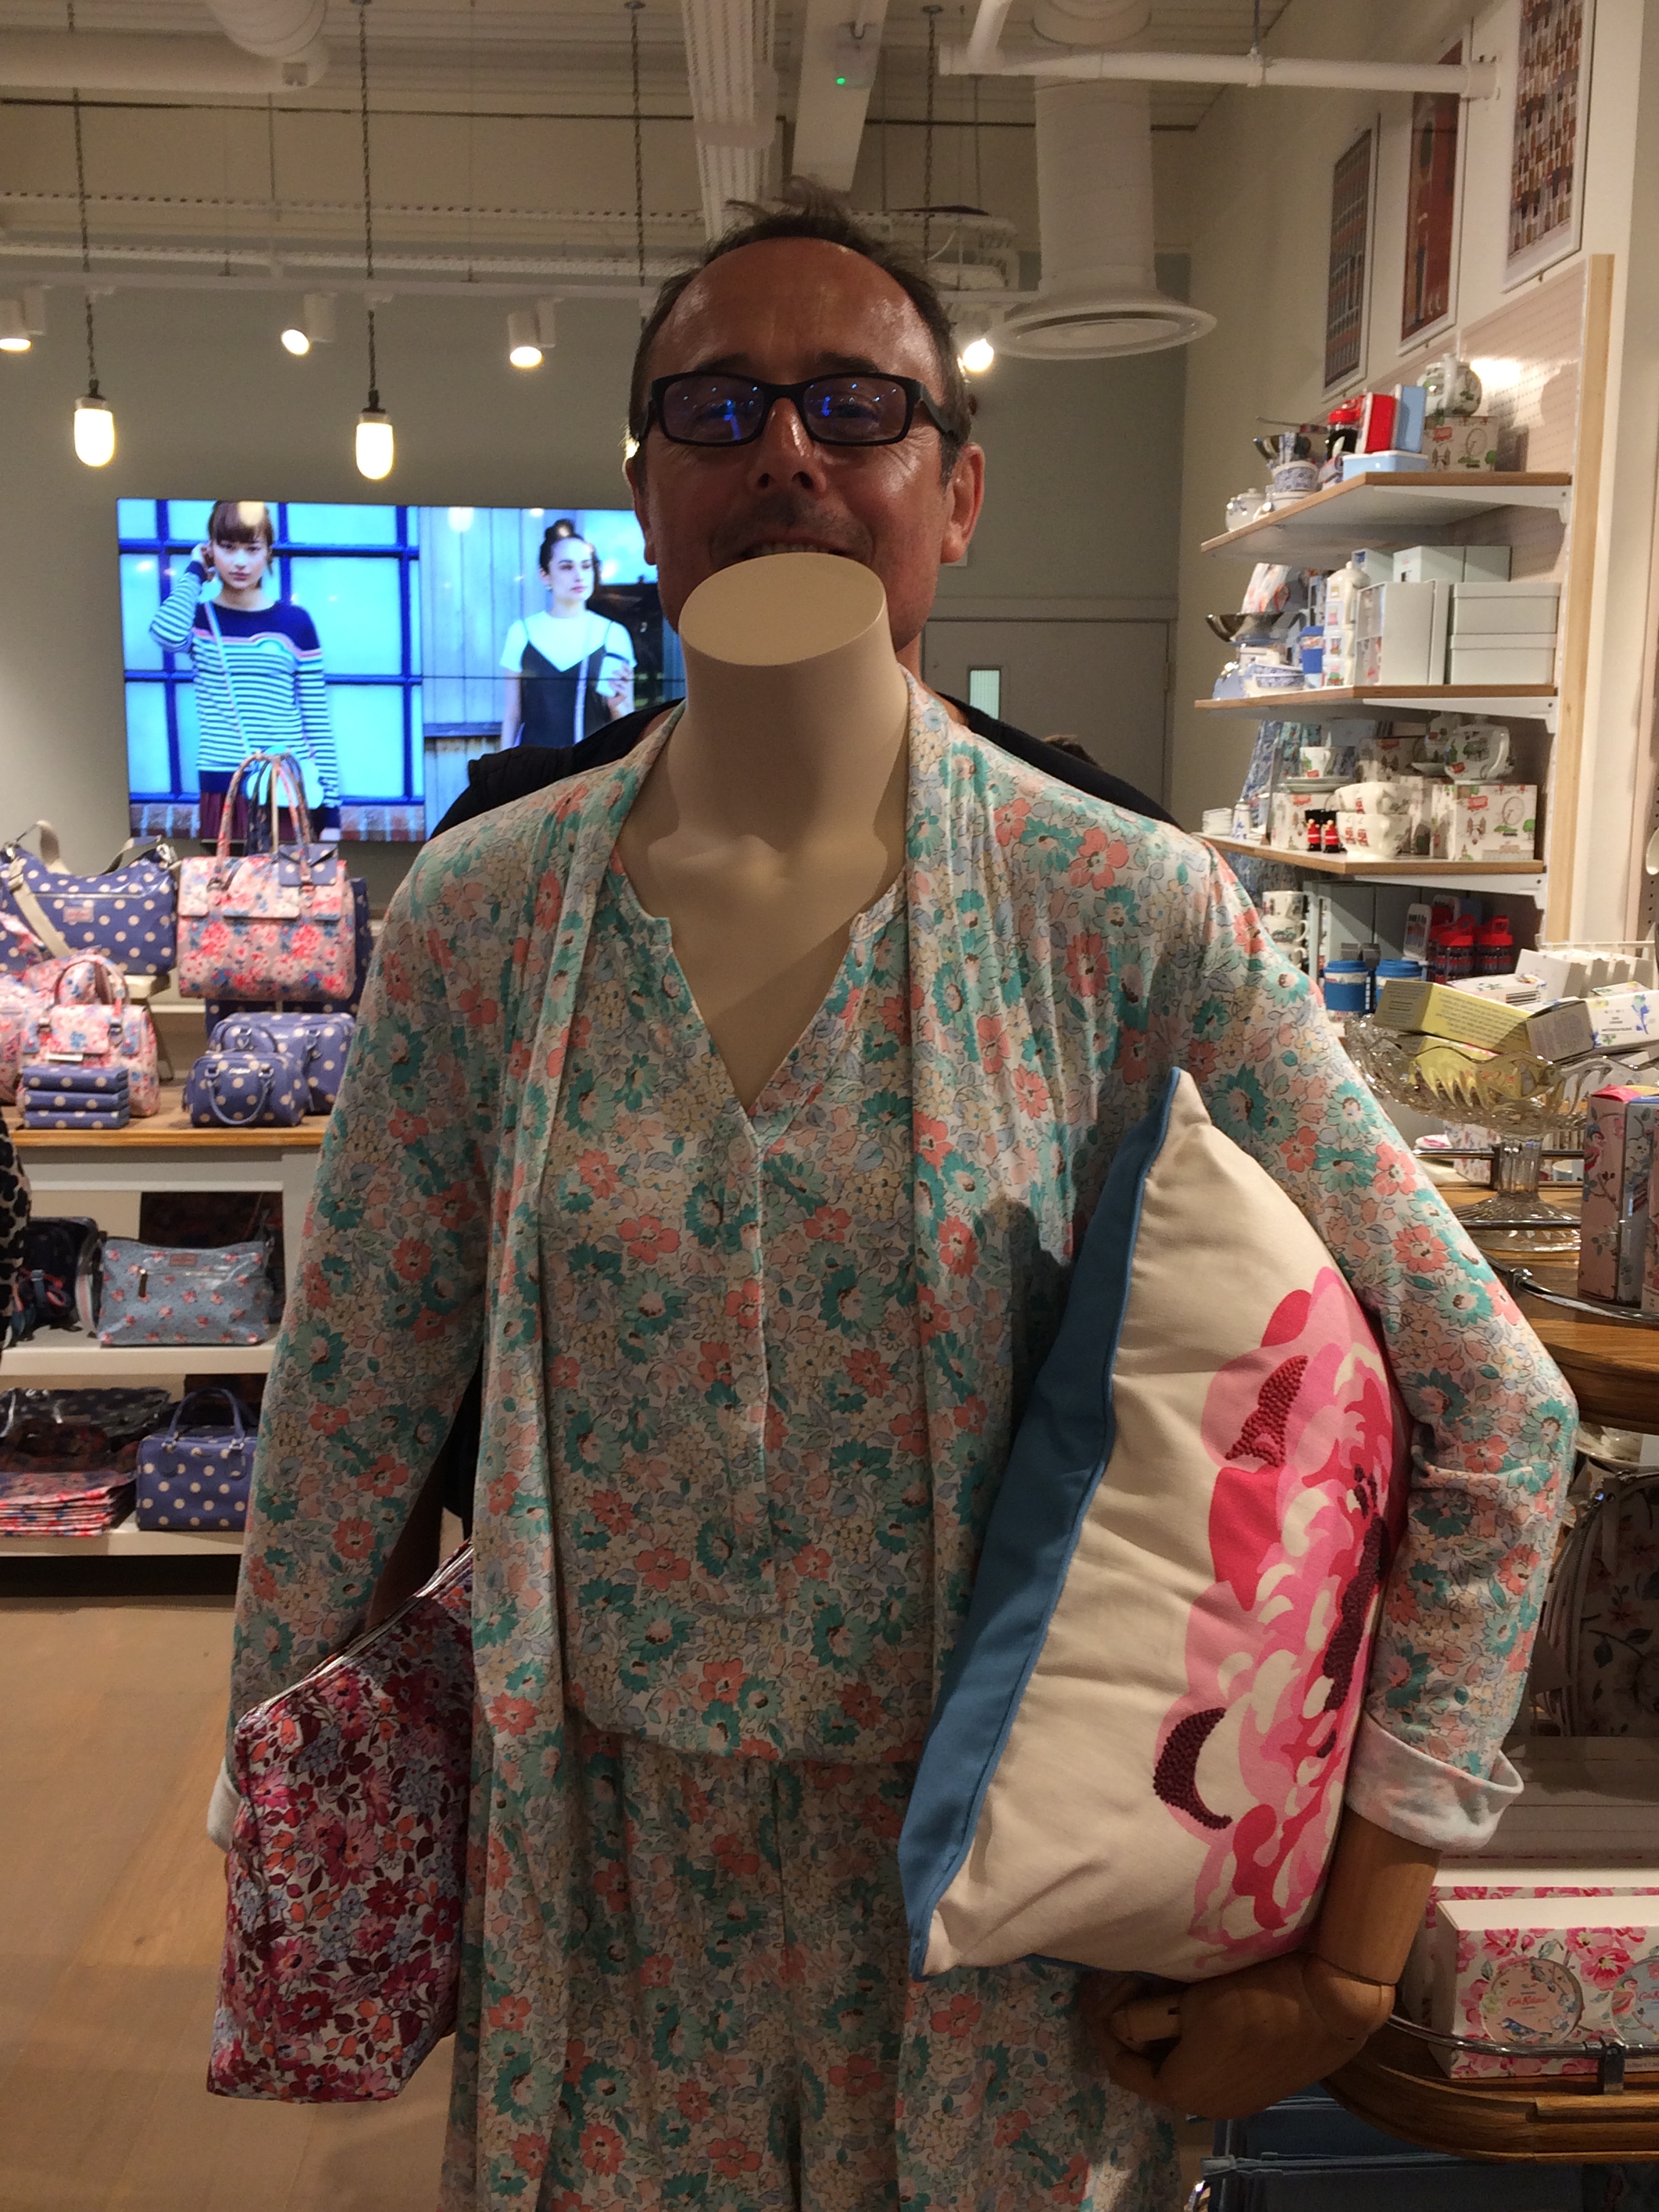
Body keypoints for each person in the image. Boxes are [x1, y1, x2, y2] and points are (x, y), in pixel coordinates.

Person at [219, 188, 1572, 2211]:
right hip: (600, 1913)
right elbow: (338, 1450)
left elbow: (1493, 1410)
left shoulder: (1122, 915)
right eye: (716, 407)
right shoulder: (483, 928)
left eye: (854, 405)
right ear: (643, 494)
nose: (783, 449)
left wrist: (1353, 1952)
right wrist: (310, 1901)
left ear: (957, 492)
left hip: (1019, 1936)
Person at [148, 500, 342, 840]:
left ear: (268, 552)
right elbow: (165, 634)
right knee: (224, 876)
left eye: (252, 549)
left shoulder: (295, 623)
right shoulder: (199, 619)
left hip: (284, 786)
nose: (240, 562)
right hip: (223, 786)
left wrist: (332, 812)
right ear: (210, 549)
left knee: (291, 876)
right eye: (227, 547)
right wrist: (195, 571)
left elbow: (316, 721)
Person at [497, 521, 636, 748]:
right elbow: (513, 714)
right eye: (566, 567)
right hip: (535, 765)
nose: (579, 575)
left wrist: (617, 707)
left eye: (586, 566)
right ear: (545, 575)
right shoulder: (521, 633)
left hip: (595, 765)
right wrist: (504, 764)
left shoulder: (613, 634)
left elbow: (628, 718)